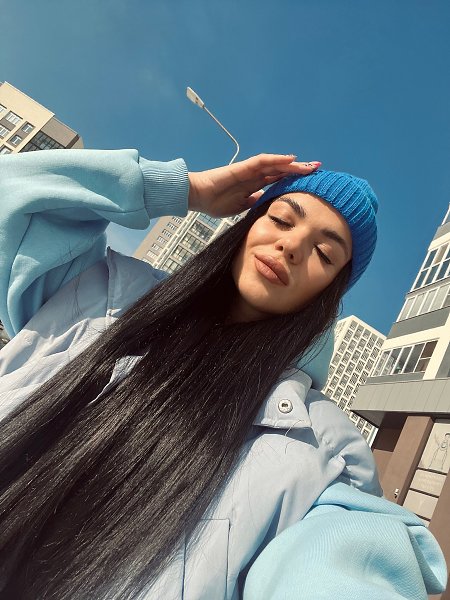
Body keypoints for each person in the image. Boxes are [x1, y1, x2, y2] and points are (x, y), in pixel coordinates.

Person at [0, 149, 446, 599]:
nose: (291, 246)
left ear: (329, 292)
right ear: (250, 223)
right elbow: (13, 190)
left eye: (324, 253)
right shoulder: (104, 295)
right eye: (282, 220)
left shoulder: (319, 445)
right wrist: (188, 189)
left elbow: (342, 553)